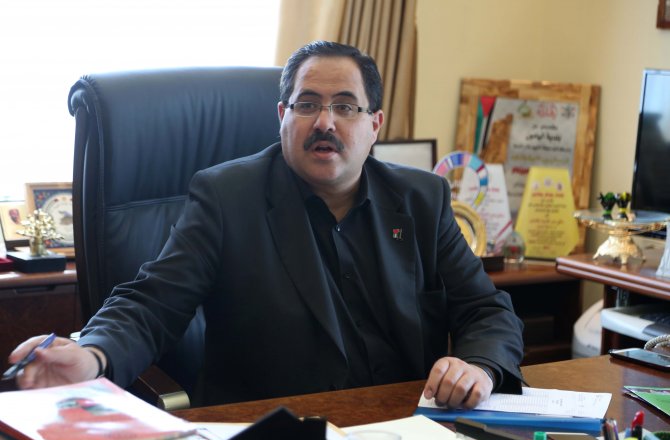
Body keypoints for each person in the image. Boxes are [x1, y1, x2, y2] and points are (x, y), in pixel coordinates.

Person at [8, 41, 524, 409]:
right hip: (275, 427)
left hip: (407, 423)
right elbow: (152, 302)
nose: (325, 122)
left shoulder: (422, 199)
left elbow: (485, 309)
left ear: (375, 125)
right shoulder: (227, 197)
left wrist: (479, 366)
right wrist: (94, 354)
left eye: (345, 106)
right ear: (282, 116)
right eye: (307, 104)